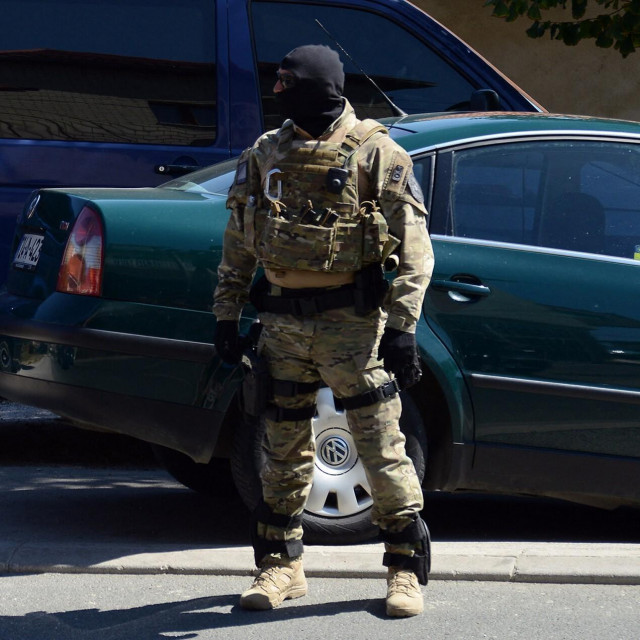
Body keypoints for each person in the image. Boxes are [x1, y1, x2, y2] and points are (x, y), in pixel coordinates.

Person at [212, 44, 434, 618]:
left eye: (289, 81)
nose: (279, 90)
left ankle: (405, 571)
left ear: (320, 85)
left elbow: (414, 251)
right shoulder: (266, 153)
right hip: (282, 324)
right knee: (281, 446)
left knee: (381, 444)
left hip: (352, 327)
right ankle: (280, 567)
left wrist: (403, 327)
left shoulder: (379, 152)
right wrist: (226, 314)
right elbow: (239, 241)